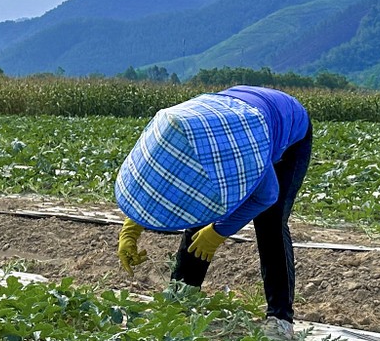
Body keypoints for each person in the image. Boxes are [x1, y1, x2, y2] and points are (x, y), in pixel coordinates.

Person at [113, 85, 313, 327]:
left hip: (287, 126)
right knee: (199, 213)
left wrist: (218, 233)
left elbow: (266, 196)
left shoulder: (242, 149)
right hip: (234, 107)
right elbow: (153, 183)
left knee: (270, 221)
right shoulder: (170, 137)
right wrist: (130, 229)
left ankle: (280, 318)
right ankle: (178, 305)